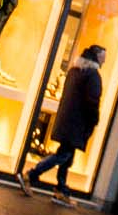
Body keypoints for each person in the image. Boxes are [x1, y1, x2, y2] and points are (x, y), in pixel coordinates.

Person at [19, 46, 106, 202]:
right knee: (63, 155)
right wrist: (94, 120)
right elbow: (92, 102)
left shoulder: (74, 71)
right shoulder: (92, 76)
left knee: (67, 155)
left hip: (66, 120)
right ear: (96, 58)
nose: (104, 60)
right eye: (102, 57)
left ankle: (62, 189)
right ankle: (31, 175)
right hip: (77, 124)